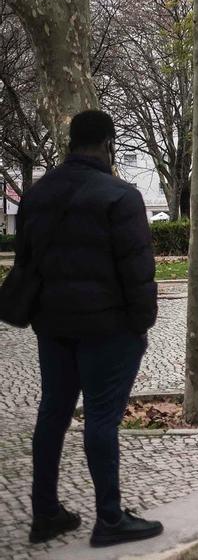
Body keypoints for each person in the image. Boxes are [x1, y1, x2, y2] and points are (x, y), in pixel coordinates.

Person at [18, 111, 163, 547]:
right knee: (101, 418)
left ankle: (44, 513)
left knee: (53, 413)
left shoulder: (37, 195)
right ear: (107, 143)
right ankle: (110, 518)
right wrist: (141, 325)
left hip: (54, 324)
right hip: (108, 326)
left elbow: (27, 264)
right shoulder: (120, 196)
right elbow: (138, 269)